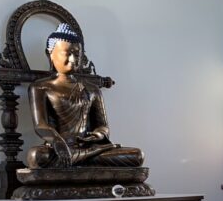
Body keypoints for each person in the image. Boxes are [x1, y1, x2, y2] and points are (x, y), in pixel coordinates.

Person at [26, 23, 144, 169]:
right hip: (59, 149)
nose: (73, 60)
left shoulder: (92, 89)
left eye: (77, 55)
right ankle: (83, 157)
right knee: (36, 156)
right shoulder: (40, 87)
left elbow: (102, 126)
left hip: (89, 146)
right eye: (67, 53)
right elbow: (41, 125)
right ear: (49, 53)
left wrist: (97, 135)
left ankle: (80, 157)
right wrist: (57, 141)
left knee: (137, 155)